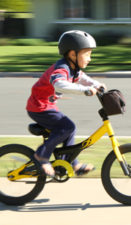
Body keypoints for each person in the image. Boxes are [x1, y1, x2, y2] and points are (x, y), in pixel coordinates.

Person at [26, 30, 106, 177]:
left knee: (70, 128)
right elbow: (59, 84)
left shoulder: (73, 69)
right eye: (87, 54)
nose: (90, 58)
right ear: (72, 54)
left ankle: (71, 163)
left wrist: (95, 84)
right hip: (39, 107)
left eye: (90, 54)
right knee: (66, 127)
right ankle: (41, 155)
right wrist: (85, 90)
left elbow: (83, 78)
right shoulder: (62, 68)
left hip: (47, 106)